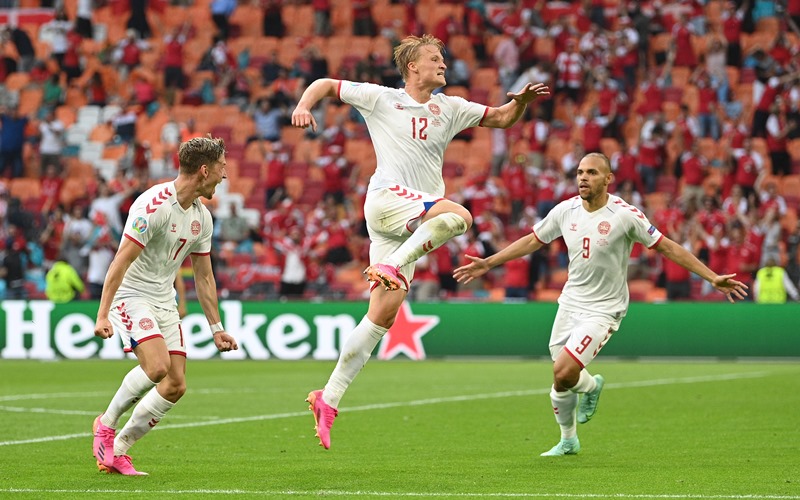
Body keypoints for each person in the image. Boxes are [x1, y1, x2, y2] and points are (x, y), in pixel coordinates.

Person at [291, 33, 550, 449]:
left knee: (383, 316)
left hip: (410, 220)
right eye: (435, 58)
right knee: (460, 216)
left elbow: (501, 118)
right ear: (413, 67)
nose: (443, 64)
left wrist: (520, 102)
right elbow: (325, 84)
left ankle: (329, 398)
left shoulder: (450, 107)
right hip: (388, 200)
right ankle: (392, 265)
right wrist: (304, 105)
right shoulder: (380, 98)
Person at [453, 153, 748, 457]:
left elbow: (667, 247)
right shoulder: (565, 210)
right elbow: (532, 240)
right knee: (561, 379)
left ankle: (590, 388)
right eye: (580, 172)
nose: (583, 178)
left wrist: (711, 277)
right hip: (569, 304)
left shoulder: (625, 215)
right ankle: (569, 438)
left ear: (608, 178)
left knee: (564, 370)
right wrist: (489, 263)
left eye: (592, 173)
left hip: (603, 309)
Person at [91, 136, 238, 475]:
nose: (224, 175)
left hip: (163, 300)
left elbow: (204, 277)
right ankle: (106, 424)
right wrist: (102, 314)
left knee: (175, 385)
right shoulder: (152, 206)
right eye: (221, 168)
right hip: (132, 294)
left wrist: (217, 329)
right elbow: (119, 262)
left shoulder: (202, 218)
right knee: (156, 367)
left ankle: (120, 450)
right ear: (204, 170)